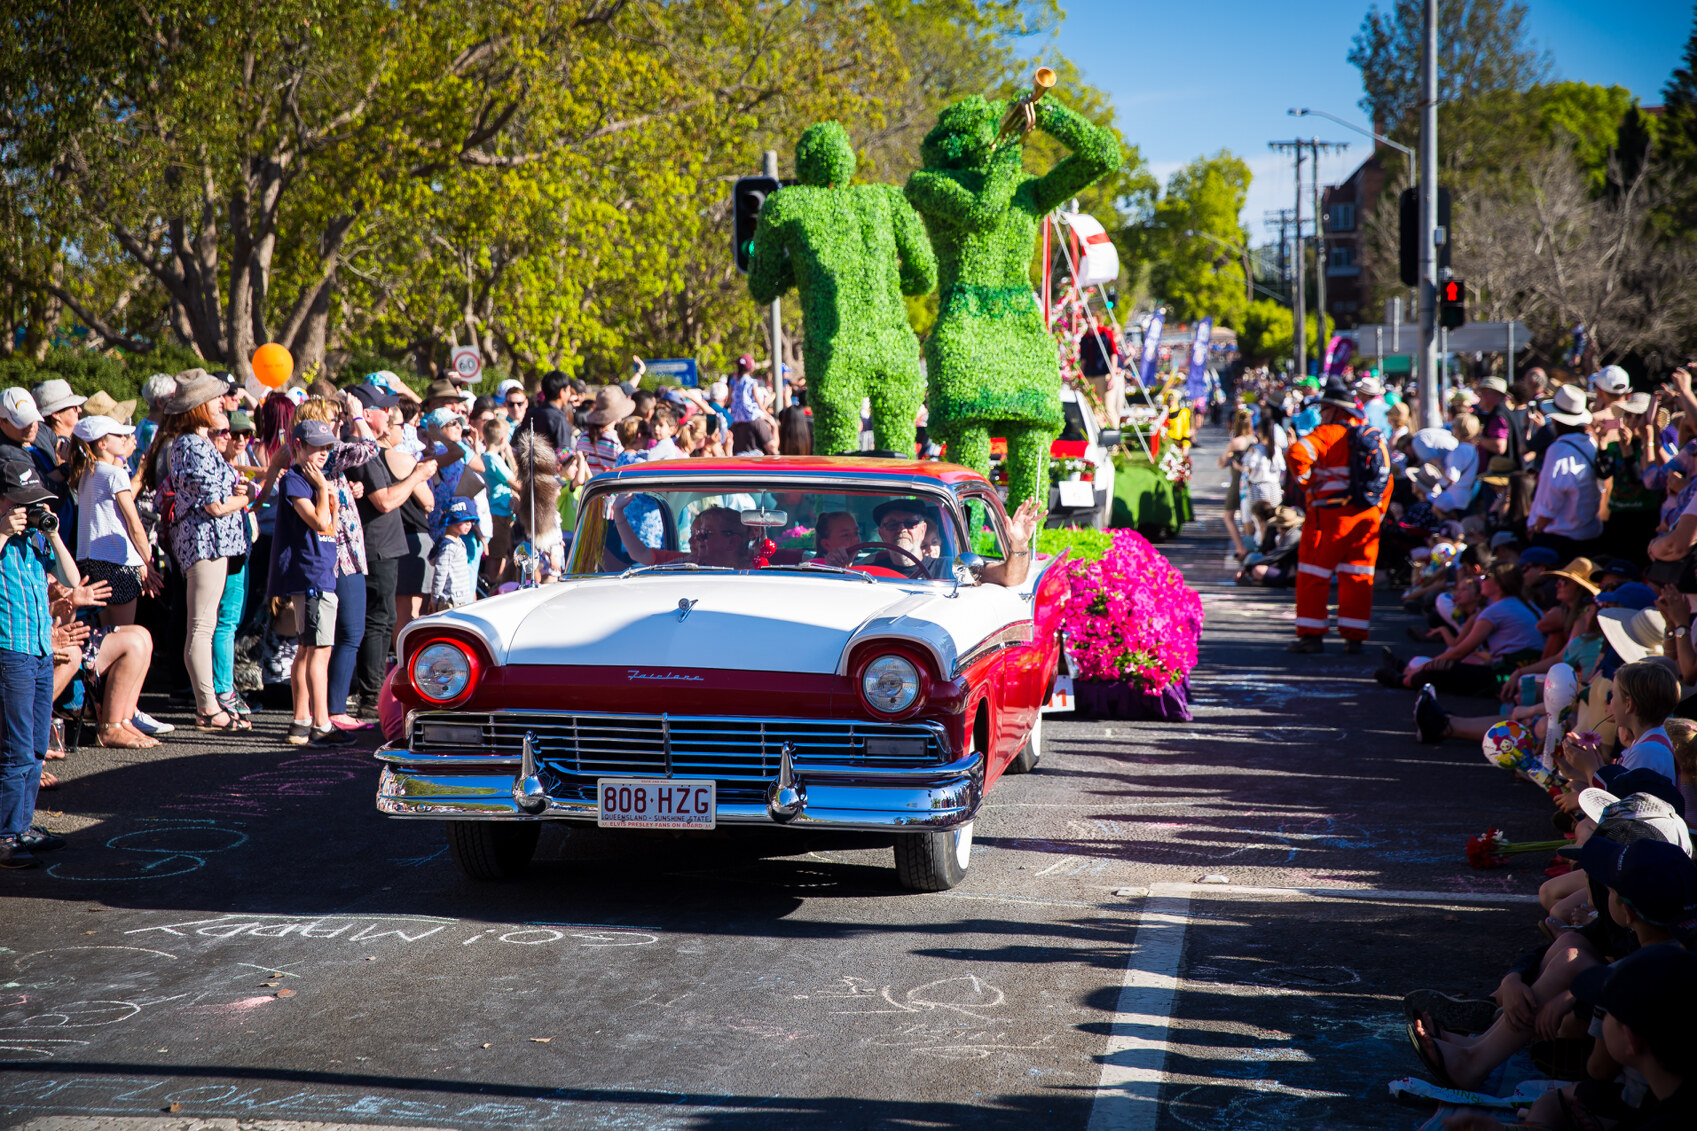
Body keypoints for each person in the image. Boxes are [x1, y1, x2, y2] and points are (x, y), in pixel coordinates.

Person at [153, 370, 254, 733]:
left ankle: (209, 705)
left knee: (204, 626)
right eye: (214, 400)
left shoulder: (194, 443)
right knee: (201, 627)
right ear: (198, 407)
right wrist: (243, 498)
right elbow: (213, 505)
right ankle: (208, 707)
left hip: (209, 542)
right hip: (205, 542)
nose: (221, 405)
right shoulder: (192, 445)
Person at [0, 460, 79, 869]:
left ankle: (22, 824)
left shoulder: (35, 539)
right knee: (14, 750)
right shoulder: (4, 539)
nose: (33, 511)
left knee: (34, 746)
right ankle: (5, 835)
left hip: (39, 651)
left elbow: (73, 578)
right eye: (25, 503)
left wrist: (54, 534)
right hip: (9, 651)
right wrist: (1, 531)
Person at [1285, 375, 1392, 654]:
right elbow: (1386, 479)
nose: (1320, 415)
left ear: (1335, 410)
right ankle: (1354, 638)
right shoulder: (1373, 437)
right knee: (1358, 576)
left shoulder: (1327, 434)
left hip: (1330, 518)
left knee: (1313, 574)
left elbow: (1296, 454)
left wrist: (1308, 484)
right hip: (1367, 519)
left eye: (1323, 409)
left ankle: (1311, 636)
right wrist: (1377, 513)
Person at [272, 419, 350, 749]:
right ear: (298, 446)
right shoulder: (296, 479)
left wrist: (329, 499)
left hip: (319, 573)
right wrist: (322, 492)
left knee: (308, 649)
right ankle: (320, 724)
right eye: (316, 447)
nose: (323, 454)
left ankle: (302, 721)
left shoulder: (311, 479)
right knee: (319, 651)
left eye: (326, 447)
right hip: (311, 577)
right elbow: (319, 522)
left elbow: (328, 528)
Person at [68, 415, 157, 627]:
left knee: (105, 633)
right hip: (117, 562)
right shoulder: (114, 474)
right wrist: (147, 561)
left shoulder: (86, 474)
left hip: (92, 561)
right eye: (119, 435)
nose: (124, 438)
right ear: (102, 443)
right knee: (123, 634)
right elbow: (134, 525)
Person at [1529, 383, 1603, 560]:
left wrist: (1538, 526)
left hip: (1560, 536)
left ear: (1555, 419)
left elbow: (1552, 495)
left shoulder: (1559, 449)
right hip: (1587, 531)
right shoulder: (1590, 443)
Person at [427, 497, 480, 612]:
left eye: (471, 521)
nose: (469, 525)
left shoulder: (458, 542)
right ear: (451, 520)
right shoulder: (448, 547)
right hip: (450, 602)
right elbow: (440, 575)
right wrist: (434, 600)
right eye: (465, 521)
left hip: (462, 600)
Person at [517, 370, 574, 457]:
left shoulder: (530, 413)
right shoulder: (559, 419)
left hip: (528, 467)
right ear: (562, 392)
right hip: (550, 468)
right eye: (569, 390)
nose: (569, 394)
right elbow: (563, 456)